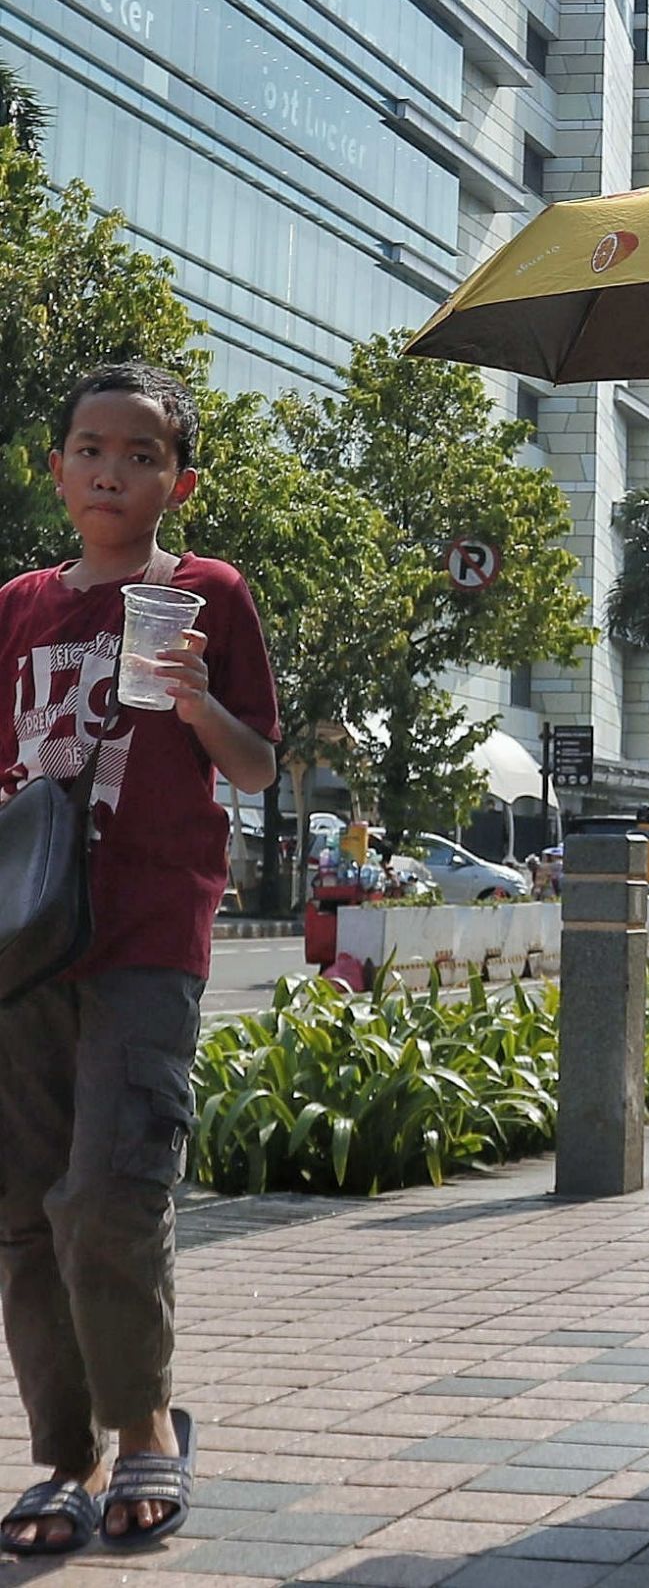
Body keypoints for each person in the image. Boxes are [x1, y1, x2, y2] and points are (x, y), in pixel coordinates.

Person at [0, 362, 279, 1554]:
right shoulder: (15, 605)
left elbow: (259, 765)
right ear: (55, 468)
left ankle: (147, 1431)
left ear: (181, 480)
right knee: (23, 1212)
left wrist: (197, 702)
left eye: (143, 453)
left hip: (145, 938)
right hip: (20, 947)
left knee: (111, 1192)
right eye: (91, 448)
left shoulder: (209, 592)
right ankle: (63, 1455)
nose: (113, 468)